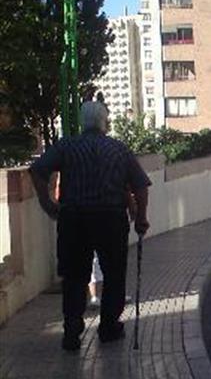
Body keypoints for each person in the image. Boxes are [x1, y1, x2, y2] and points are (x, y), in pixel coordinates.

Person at [29, 101, 151, 351]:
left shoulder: (67, 146)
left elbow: (37, 170)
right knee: (114, 275)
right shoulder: (118, 149)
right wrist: (141, 217)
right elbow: (140, 185)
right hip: (110, 219)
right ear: (104, 122)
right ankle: (109, 328)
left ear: (83, 122)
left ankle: (72, 331)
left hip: (74, 219)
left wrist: (47, 202)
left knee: (74, 277)